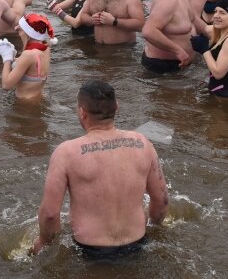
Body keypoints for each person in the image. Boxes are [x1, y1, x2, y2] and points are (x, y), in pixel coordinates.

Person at [32, 81, 168, 257]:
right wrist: (154, 228)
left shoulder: (66, 153)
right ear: (117, 107)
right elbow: (162, 201)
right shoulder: (142, 143)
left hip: (88, 251)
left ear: (82, 112)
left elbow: (50, 214)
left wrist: (44, 243)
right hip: (138, 244)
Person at [141, 0, 199, 73]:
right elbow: (148, 31)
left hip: (179, 65)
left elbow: (193, 19)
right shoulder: (168, 0)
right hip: (162, 67)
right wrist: (178, 51)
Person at [190, 0, 228, 98]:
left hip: (225, 98)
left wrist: (204, 49)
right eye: (216, 11)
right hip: (221, 94)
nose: (216, 15)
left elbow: (218, 73)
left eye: (222, 13)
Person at [0, 14, 55, 101]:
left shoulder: (28, 55)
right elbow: (31, 69)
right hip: (38, 99)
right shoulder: (46, 49)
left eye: (21, 30)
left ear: (28, 33)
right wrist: (13, 57)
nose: (18, 33)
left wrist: (7, 58)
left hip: (23, 105)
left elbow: (6, 85)